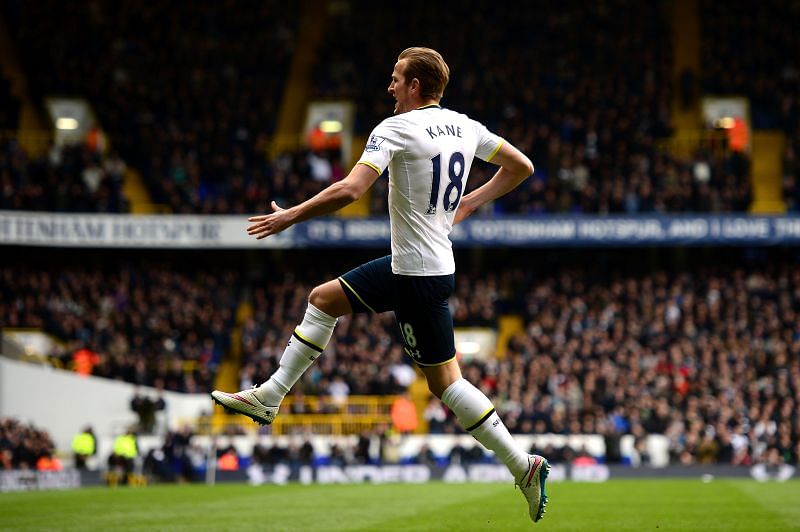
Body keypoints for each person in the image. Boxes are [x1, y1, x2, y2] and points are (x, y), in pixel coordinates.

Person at [212, 47, 549, 523]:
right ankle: (269, 396)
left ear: (415, 86)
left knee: (447, 384)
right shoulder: (465, 126)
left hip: (412, 274)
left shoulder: (394, 129)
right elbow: (522, 167)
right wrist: (469, 203)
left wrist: (291, 215)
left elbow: (351, 189)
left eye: (396, 79)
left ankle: (522, 464)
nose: (389, 87)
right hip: (429, 267)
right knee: (325, 299)